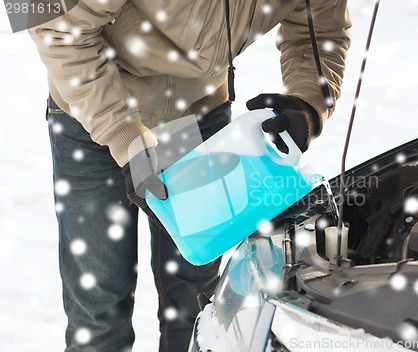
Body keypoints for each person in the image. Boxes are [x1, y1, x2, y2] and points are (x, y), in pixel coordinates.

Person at [29, 0, 351, 351]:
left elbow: (319, 30)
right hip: (93, 113)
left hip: (195, 117)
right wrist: (125, 137)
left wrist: (307, 103)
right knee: (99, 303)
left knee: (194, 299)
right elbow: (56, 28)